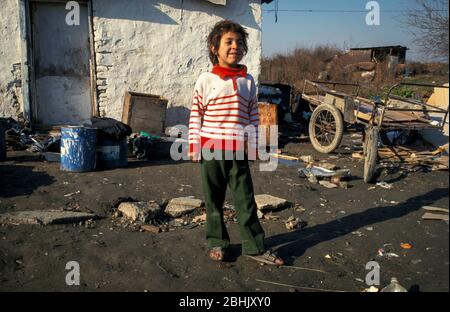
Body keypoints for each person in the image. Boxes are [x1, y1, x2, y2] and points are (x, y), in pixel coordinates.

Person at [188, 20, 284, 266]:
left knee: (245, 200)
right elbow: (196, 113)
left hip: (238, 151)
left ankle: (254, 245)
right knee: (214, 201)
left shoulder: (248, 81)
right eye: (228, 42)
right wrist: (194, 145)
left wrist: (253, 145)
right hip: (211, 150)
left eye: (240, 43)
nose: (235, 47)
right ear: (214, 47)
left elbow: (253, 115)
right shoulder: (206, 80)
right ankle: (217, 242)